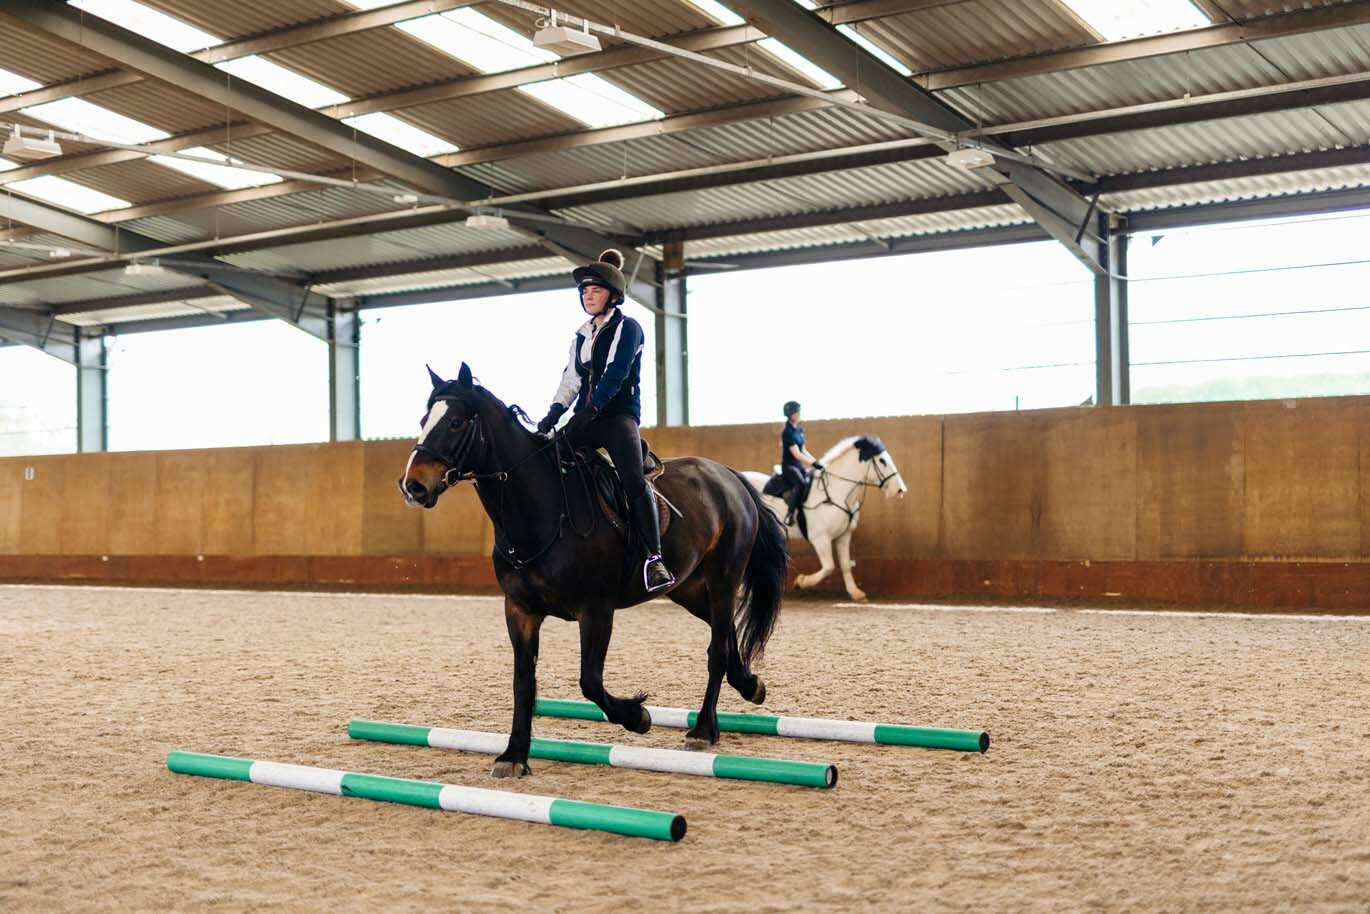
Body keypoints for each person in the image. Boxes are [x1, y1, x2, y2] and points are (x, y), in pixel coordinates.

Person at [536, 249, 675, 594]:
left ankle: (653, 558)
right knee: (549, 461)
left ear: (613, 295)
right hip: (585, 418)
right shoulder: (581, 335)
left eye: (594, 290)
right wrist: (553, 413)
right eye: (584, 291)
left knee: (631, 481)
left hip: (616, 418)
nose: (587, 296)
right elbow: (571, 379)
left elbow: (616, 373)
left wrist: (592, 410)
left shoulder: (629, 328)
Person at [780, 400, 822, 521]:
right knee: (801, 483)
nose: (799, 414)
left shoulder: (799, 429)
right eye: (796, 412)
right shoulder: (787, 432)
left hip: (798, 465)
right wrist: (813, 464)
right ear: (790, 415)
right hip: (789, 466)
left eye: (798, 412)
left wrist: (816, 461)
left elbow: (803, 449)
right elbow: (797, 454)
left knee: (813, 478)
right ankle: (790, 514)